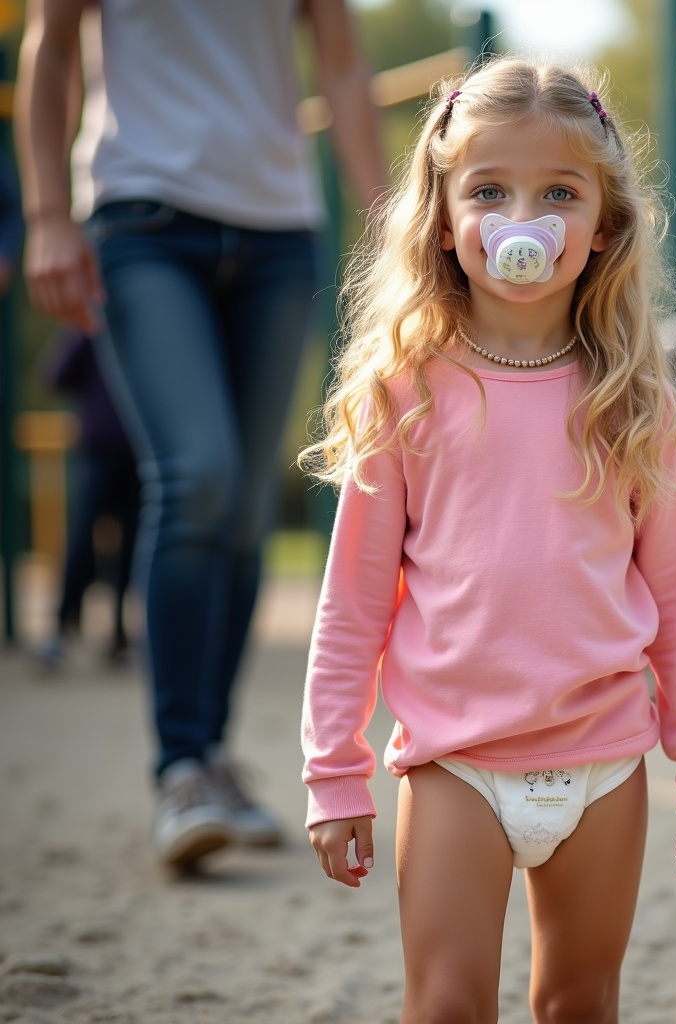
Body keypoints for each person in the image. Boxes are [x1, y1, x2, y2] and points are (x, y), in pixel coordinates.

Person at [299, 56, 676, 1023]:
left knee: (579, 1000)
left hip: (605, 763)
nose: (523, 220)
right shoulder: (403, 392)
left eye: (558, 192)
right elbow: (353, 605)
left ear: (603, 225)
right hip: (456, 762)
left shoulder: (636, 403)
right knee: (447, 1003)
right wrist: (335, 773)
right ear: (445, 216)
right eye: (490, 190)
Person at [15, 0, 388, 868]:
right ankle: (179, 766)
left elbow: (339, 64)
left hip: (277, 231)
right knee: (199, 477)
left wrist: (383, 229)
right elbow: (52, 42)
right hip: (140, 214)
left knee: (250, 505)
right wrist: (45, 214)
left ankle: (214, 757)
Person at [34, 327, 139, 670]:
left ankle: (115, 634)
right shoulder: (92, 328)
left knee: (126, 544)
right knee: (86, 539)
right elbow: (56, 376)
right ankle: (66, 627)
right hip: (104, 449)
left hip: (132, 450)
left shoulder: (141, 327)